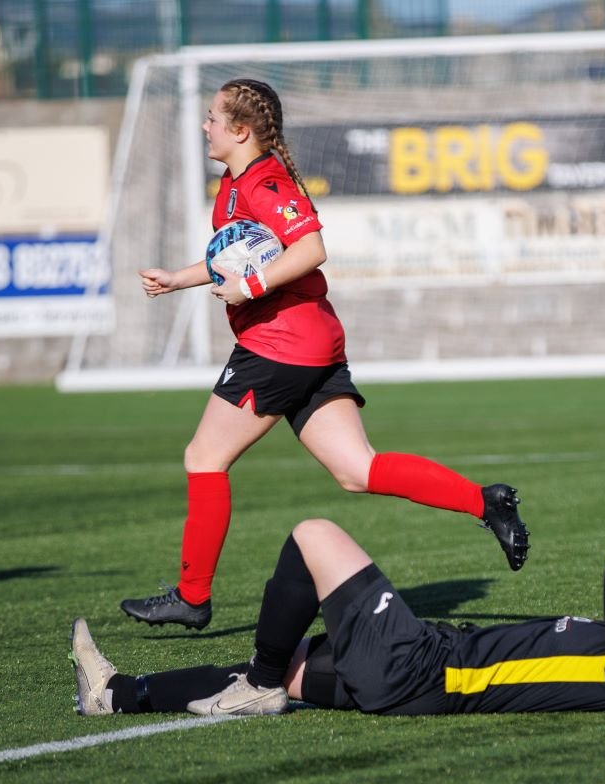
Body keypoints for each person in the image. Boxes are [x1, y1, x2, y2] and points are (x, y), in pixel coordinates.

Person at [123, 78, 529, 630]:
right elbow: (235, 256)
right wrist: (180, 279)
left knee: (204, 458)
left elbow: (311, 250)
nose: (205, 125)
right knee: (357, 470)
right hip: (310, 342)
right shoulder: (235, 181)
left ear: (241, 130)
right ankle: (488, 503)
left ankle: (192, 597)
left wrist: (255, 286)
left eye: (213, 117)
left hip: (278, 345)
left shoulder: (265, 182)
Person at [72, 518, 605, 717]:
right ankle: (117, 695)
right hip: (420, 674)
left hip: (422, 665)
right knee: (289, 664)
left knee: (313, 537)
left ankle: (260, 685)